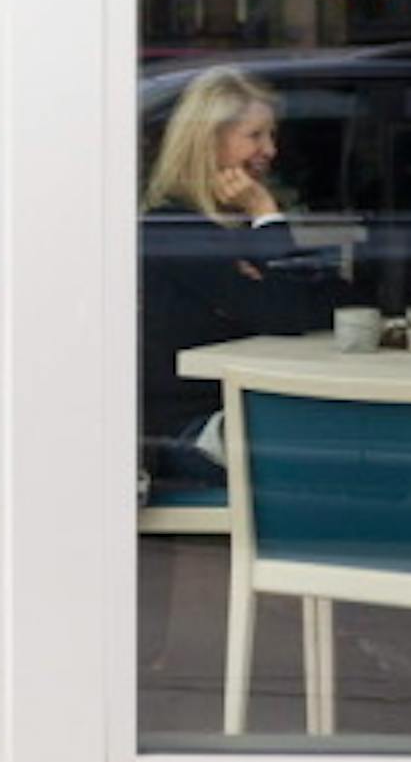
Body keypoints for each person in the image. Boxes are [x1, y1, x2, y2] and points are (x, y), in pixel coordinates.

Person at [139, 66, 325, 491]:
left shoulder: (228, 226)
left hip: (244, 410)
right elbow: (288, 310)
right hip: (191, 432)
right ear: (210, 142)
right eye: (255, 136)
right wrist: (265, 212)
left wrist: (263, 237)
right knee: (342, 452)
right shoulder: (173, 227)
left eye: (271, 135)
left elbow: (323, 300)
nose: (270, 150)